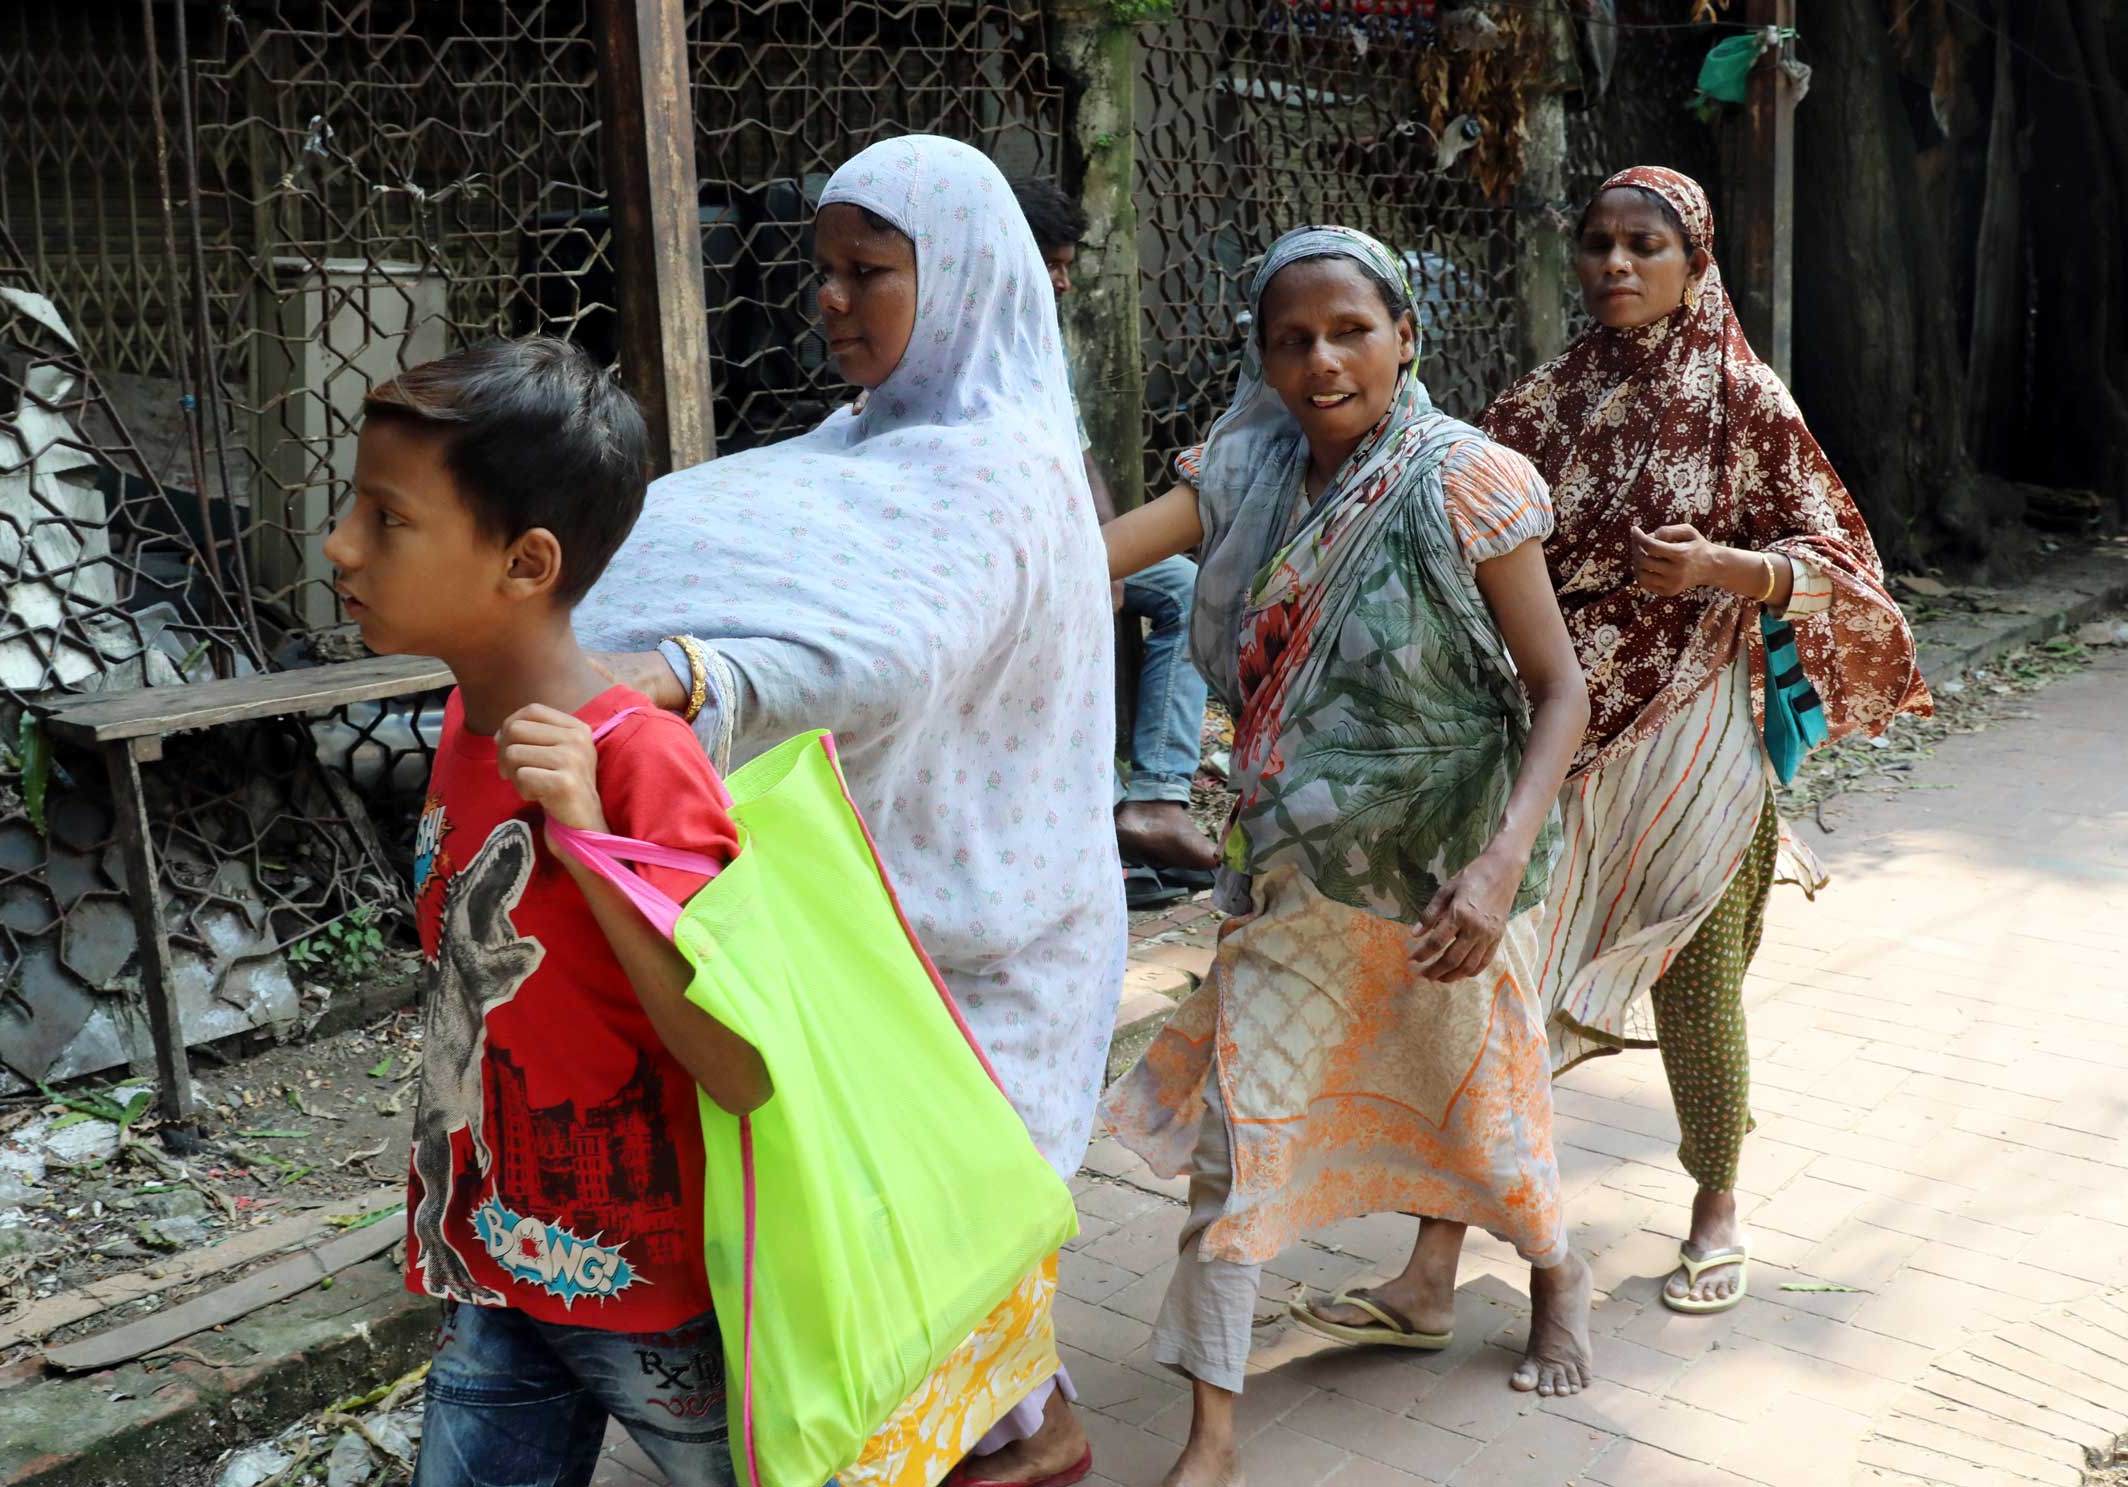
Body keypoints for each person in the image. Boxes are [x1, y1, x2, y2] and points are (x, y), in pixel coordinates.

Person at [577, 136, 1121, 1487]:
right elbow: (751, 537)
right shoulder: (870, 443)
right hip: (896, 909)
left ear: (966, 279)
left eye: (869, 271)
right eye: (822, 271)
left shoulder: (1000, 466)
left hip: (1005, 921)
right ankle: (1016, 1432)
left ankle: (1015, 1433)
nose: (832, 300)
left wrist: (697, 669)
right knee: (915, 1222)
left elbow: (895, 650)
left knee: (956, 1215)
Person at [1100, 226, 1596, 1487]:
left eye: (1348, 331)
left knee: (1477, 1102)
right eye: (1290, 340)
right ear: (1260, 361)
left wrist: (1495, 870)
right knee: (1240, 1144)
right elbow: (1084, 557)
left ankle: (1555, 1272)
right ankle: (1210, 1438)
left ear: (1405, 338)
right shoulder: (1246, 469)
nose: (1320, 361)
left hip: (1453, 870)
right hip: (1293, 874)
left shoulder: (1465, 481)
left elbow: (1558, 691)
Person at [1481, 168, 1930, 1316]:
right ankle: (1461, 1237)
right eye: (1596, 243)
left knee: (1695, 980)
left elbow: (1842, 576)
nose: (1616, 265)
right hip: (1555, 738)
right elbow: (1469, 535)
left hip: (1697, 737)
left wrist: (1720, 569)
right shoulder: (1538, 402)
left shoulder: (1745, 396)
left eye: (1644, 244)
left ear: (1695, 262)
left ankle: (1714, 1202)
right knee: (1503, 974)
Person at [323, 337, 770, 1487]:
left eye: (389, 518)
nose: (341, 545)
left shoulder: (643, 762)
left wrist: (589, 839)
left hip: (648, 1297)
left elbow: (740, 1059)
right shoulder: (466, 731)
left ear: (526, 561)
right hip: (493, 1263)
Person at [1012, 175, 1222, 891]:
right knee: (1068, 612)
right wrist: (1084, 570)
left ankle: (1157, 798)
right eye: (1053, 266)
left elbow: (1082, 459)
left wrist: (1106, 553)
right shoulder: (959, 335)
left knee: (1184, 585)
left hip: (1063, 546)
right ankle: (1092, 826)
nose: (1065, 284)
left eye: (1070, 266)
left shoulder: (1041, 341)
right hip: (999, 557)